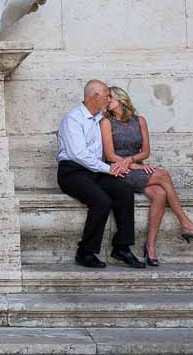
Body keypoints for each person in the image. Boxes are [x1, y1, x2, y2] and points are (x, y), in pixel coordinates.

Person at [100, 86, 193, 266]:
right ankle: (186, 223)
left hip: (135, 165)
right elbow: (109, 155)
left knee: (160, 194)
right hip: (119, 170)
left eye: (110, 97)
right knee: (164, 175)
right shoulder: (106, 122)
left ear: (121, 99)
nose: (106, 101)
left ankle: (150, 247)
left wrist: (133, 161)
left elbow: (145, 151)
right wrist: (131, 165)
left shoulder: (140, 121)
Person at [57, 79, 145, 269]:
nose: (108, 98)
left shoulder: (100, 119)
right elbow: (78, 155)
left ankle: (122, 247)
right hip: (72, 172)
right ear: (95, 96)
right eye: (106, 95)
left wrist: (126, 164)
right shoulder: (73, 119)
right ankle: (85, 252)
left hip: (94, 171)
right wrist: (109, 169)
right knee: (101, 200)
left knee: (124, 191)